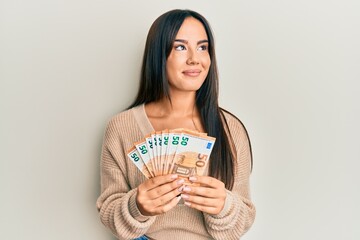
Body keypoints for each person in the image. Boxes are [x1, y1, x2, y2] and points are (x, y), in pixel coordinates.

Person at [96, 9, 256, 240]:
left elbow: (242, 220)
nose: (194, 58)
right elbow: (109, 211)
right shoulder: (121, 127)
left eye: (203, 47)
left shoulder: (231, 128)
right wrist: (137, 206)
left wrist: (224, 206)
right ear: (159, 55)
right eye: (180, 47)